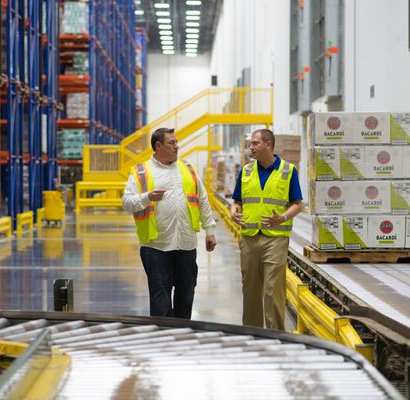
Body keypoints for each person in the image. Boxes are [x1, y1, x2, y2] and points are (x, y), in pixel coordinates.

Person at [122, 127, 217, 319]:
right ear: (158, 146)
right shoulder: (142, 172)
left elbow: (202, 199)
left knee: (186, 294)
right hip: (156, 245)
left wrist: (210, 230)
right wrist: (146, 197)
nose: (177, 146)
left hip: (186, 243)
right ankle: (162, 337)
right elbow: (127, 203)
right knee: (160, 298)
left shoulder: (188, 169)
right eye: (172, 143)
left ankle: (182, 335)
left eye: (176, 142)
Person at [230, 129, 303, 330]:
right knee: (251, 290)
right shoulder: (245, 171)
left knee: (272, 290)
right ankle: (252, 334)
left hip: (276, 239)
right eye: (251, 144)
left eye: (255, 143)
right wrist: (233, 211)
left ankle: (276, 336)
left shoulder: (288, 171)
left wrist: (283, 217)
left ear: (268, 144)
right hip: (249, 238)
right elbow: (237, 201)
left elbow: (298, 203)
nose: (251, 147)